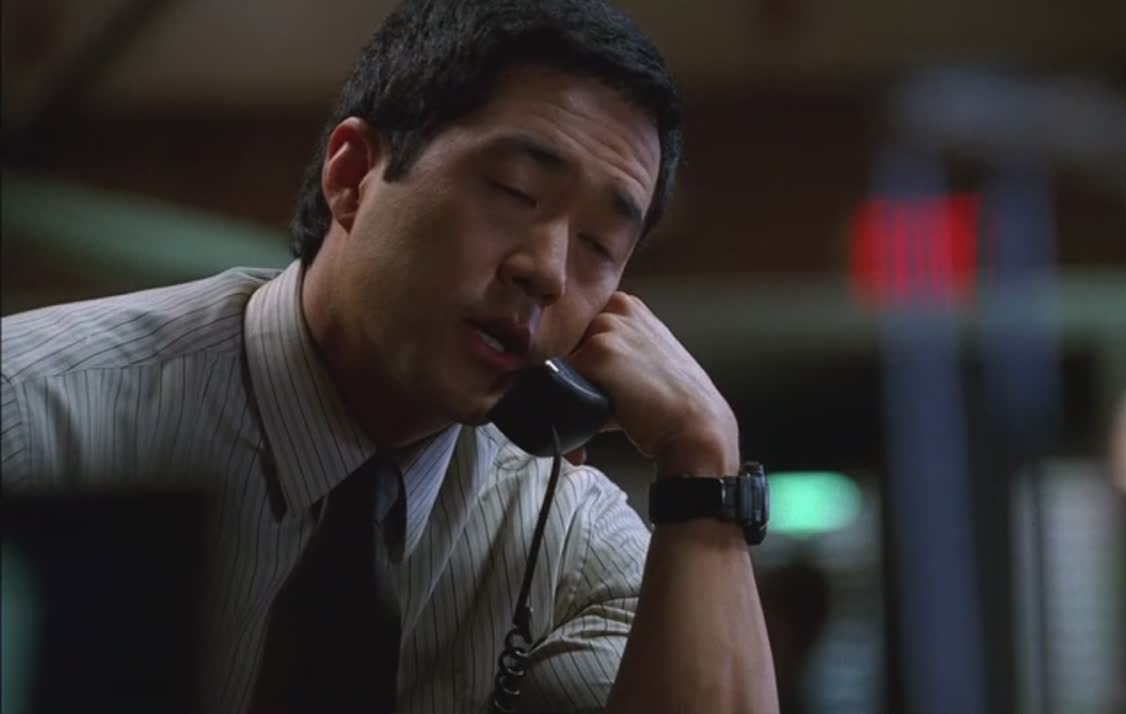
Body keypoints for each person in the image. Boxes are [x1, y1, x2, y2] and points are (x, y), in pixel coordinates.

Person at [0, 1, 779, 712]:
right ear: (351, 176)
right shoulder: (29, 416)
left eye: (599, 245)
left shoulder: (563, 534)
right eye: (513, 190)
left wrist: (704, 462)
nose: (546, 270)